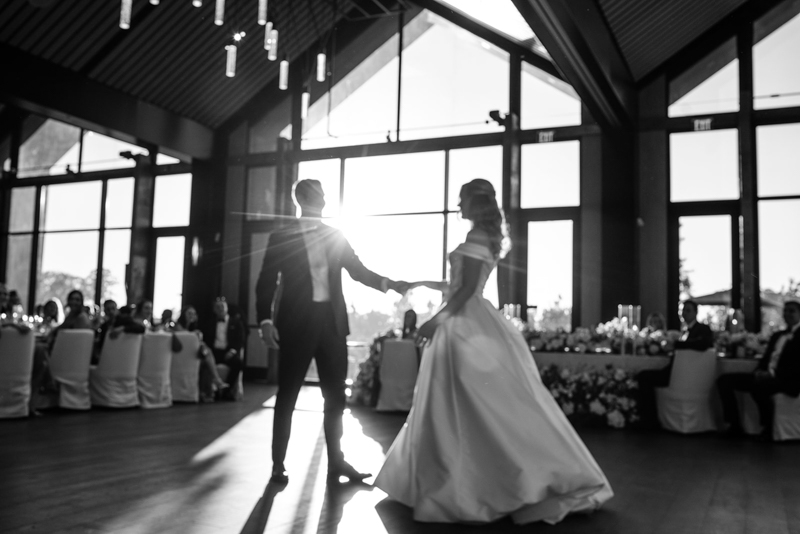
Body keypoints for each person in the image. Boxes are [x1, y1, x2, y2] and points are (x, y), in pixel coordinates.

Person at [374, 179, 612, 525]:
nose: (458, 204)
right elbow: (459, 283)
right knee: (481, 404)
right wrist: (421, 283)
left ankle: (468, 482)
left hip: (464, 326)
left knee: (464, 403)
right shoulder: (484, 237)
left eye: (462, 199)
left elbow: (467, 288)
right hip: (473, 320)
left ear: (476, 202)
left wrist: (436, 322)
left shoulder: (475, 237)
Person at [256, 178, 408, 485]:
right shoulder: (281, 237)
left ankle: (337, 463)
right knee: (287, 395)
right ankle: (278, 464)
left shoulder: (334, 234)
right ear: (301, 199)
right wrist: (265, 321)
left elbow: (358, 270)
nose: (323, 201)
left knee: (336, 399)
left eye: (324, 196)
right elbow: (265, 281)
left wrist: (388, 284)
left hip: (332, 325)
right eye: (318, 196)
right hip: (296, 324)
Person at [717, 300, 800, 439]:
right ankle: (734, 424)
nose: (787, 314)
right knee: (724, 381)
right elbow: (765, 359)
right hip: (767, 375)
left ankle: (767, 428)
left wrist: (771, 374)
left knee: (760, 387)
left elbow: (796, 366)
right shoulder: (777, 335)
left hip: (787, 380)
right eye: (785, 311)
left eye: (791, 311)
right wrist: (759, 372)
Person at [634, 299, 714, 428]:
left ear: (695, 312)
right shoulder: (685, 331)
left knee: (643, 376)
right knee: (644, 375)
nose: (684, 313)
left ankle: (649, 420)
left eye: (688, 310)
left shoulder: (702, 329)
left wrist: (675, 345)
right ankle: (648, 419)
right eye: (683, 310)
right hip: (681, 373)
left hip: (683, 376)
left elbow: (703, 344)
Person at [174, 305, 229, 398]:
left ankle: (206, 393)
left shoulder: (194, 327)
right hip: (182, 356)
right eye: (189, 313)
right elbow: (183, 338)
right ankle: (216, 380)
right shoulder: (178, 326)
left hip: (192, 355)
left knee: (206, 360)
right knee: (207, 354)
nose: (191, 316)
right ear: (183, 315)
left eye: (193, 314)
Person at [201, 297, 245, 399]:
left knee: (238, 363)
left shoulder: (236, 323)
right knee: (204, 362)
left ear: (226, 308)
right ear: (214, 310)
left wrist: (233, 351)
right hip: (214, 352)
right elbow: (206, 340)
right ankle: (209, 391)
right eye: (217, 307)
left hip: (228, 351)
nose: (220, 309)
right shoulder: (209, 323)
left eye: (222, 306)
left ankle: (227, 390)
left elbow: (240, 340)